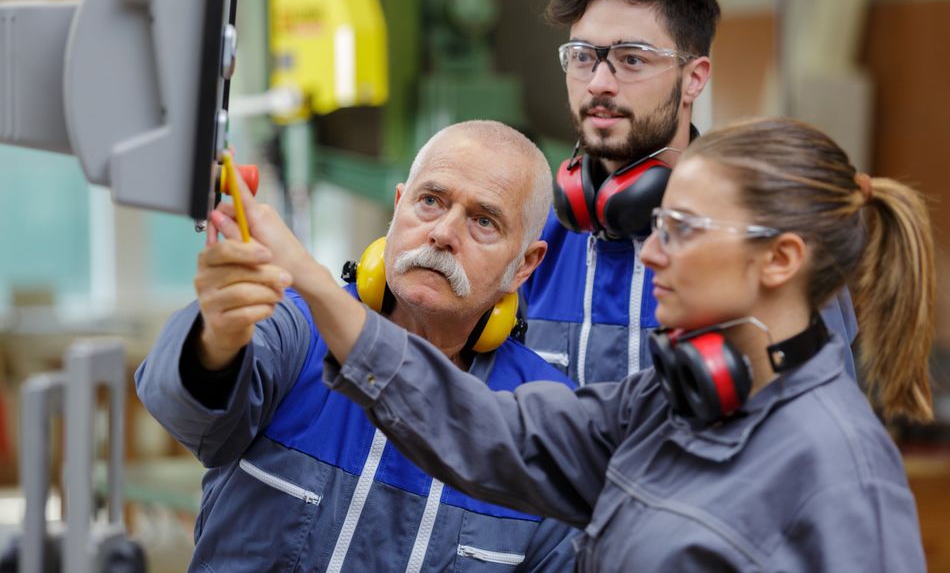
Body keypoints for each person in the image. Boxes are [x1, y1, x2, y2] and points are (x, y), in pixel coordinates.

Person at [213, 117, 931, 571]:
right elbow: (485, 430)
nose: (649, 256)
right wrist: (309, 280)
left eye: (681, 230)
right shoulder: (667, 401)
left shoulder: (843, 473)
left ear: (778, 262)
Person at [135, 121, 580, 572]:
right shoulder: (297, 328)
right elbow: (180, 408)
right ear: (398, 204)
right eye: (430, 201)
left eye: (483, 221)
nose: (443, 233)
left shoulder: (541, 423)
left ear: (525, 264)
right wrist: (218, 339)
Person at [520, 0, 859, 384]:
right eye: (583, 56)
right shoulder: (535, 244)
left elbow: (812, 431)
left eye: (632, 59)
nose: (599, 83)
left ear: (694, 78)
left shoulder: (765, 250)